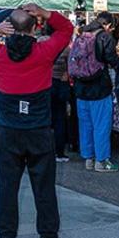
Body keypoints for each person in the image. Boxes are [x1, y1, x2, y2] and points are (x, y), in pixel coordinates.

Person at [0, 4, 73, 238]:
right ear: (35, 27)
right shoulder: (45, 51)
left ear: (8, 29)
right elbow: (67, 29)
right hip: (39, 129)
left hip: (9, 130)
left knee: (8, 186)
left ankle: (7, 236)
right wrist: (46, 14)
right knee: (44, 186)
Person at [68, 12, 119, 172]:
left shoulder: (81, 34)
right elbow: (112, 60)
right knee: (101, 125)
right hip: (99, 87)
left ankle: (88, 159)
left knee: (86, 124)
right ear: (108, 25)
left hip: (80, 87)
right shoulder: (105, 37)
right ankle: (101, 161)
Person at [49, 30, 73, 162]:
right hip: (61, 84)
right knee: (60, 118)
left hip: (46, 83)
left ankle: (46, 150)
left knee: (46, 118)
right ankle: (60, 152)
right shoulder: (66, 47)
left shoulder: (42, 43)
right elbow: (72, 65)